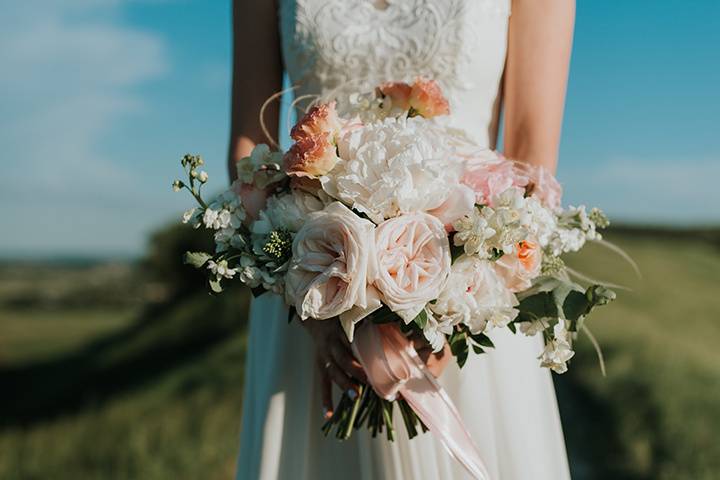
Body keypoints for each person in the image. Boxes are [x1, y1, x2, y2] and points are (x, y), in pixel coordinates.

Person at [229, 1, 575, 478]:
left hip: (467, 289)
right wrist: (315, 299)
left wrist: (453, 302)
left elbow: (530, 154)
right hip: (308, 285)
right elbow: (250, 146)